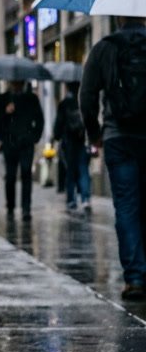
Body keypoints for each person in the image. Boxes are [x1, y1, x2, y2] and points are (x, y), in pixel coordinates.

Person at [80, 17, 146, 301]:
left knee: (126, 206)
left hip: (117, 137)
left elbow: (87, 96)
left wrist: (95, 134)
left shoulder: (103, 48)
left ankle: (134, 278)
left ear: (118, 18)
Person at [0, 80, 44, 220]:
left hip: (26, 143)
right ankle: (11, 206)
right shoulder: (4, 98)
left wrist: (34, 137)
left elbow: (39, 120)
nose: (17, 85)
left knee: (26, 174)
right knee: (10, 176)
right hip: (10, 143)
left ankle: (26, 208)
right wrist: (6, 113)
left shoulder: (31, 98)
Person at [54, 82, 91, 212]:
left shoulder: (64, 104)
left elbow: (58, 124)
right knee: (83, 170)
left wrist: (57, 136)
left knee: (70, 172)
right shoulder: (84, 101)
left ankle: (71, 200)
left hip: (69, 142)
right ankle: (85, 199)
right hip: (83, 141)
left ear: (67, 87)